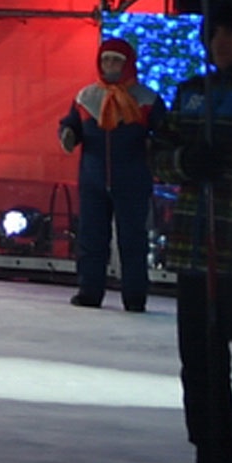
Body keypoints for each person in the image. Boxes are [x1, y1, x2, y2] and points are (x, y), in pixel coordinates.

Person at [154, 7, 232, 463]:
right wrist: (186, 161)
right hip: (197, 252)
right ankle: (213, 460)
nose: (223, 43)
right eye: (216, 34)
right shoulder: (192, 94)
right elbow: (157, 158)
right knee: (202, 364)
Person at [60, 36, 161, 311]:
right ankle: (89, 291)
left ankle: (135, 295)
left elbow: (164, 132)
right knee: (91, 238)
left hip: (132, 179)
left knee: (133, 240)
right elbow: (71, 125)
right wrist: (68, 134)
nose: (111, 65)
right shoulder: (86, 97)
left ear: (128, 63)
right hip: (93, 179)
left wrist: (156, 146)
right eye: (106, 60)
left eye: (116, 60)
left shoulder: (146, 99)